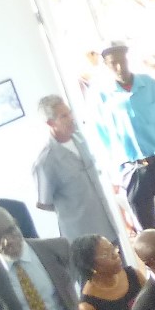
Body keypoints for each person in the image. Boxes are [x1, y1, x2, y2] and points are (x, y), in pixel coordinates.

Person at [88, 43, 155, 230]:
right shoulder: (101, 96)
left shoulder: (149, 84)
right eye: (113, 63)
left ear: (128, 59)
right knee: (148, 233)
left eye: (122, 61)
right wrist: (117, 174)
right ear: (106, 65)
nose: (119, 67)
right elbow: (101, 139)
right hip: (132, 171)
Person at [33, 95, 122, 244]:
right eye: (64, 116)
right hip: (82, 236)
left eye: (69, 113)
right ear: (50, 123)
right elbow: (45, 203)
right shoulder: (46, 162)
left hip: (108, 226)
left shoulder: (82, 139)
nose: (71, 118)